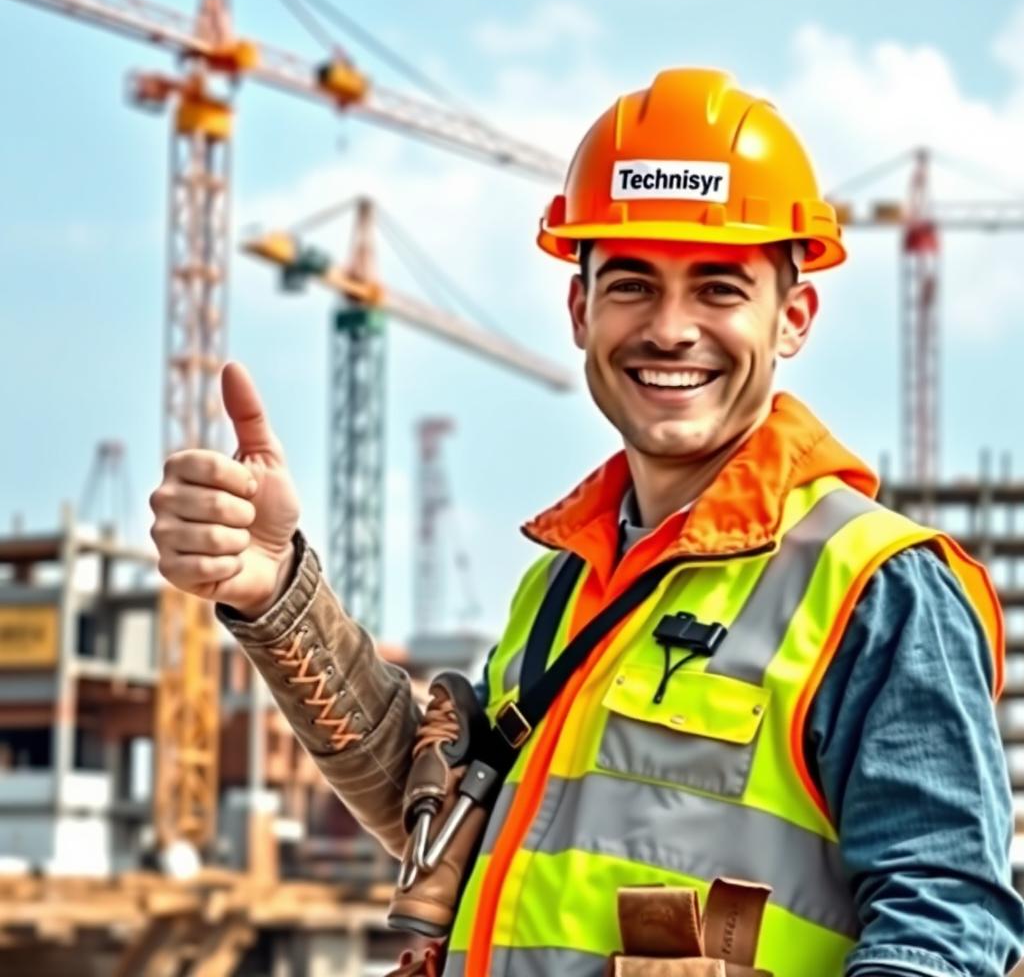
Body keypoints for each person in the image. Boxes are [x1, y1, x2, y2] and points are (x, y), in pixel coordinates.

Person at [148, 68, 1024, 976]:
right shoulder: (565, 583)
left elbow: (946, 922)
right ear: (581, 311)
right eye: (633, 285)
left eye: (720, 290)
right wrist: (277, 593)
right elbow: (443, 811)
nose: (671, 329)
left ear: (792, 317)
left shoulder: (876, 590)